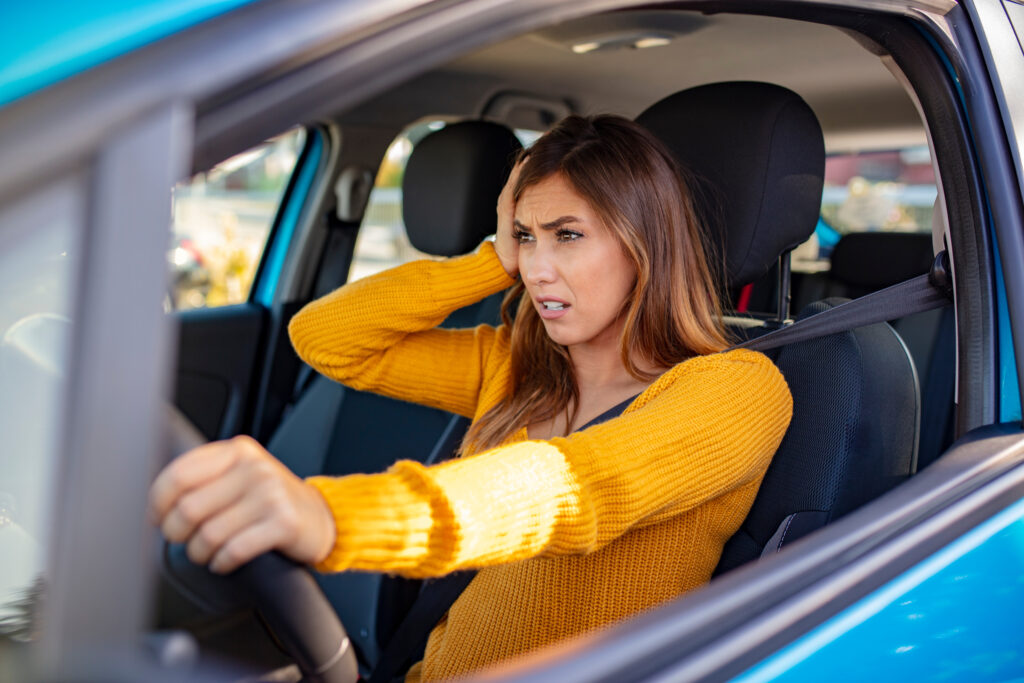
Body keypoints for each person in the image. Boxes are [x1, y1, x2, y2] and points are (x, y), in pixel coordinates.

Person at [149, 115, 793, 682]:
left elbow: (572, 488)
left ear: (643, 243)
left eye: (568, 235)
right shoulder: (514, 366)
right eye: (526, 236)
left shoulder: (733, 389)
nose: (538, 269)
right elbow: (325, 338)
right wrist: (490, 260)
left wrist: (328, 515)